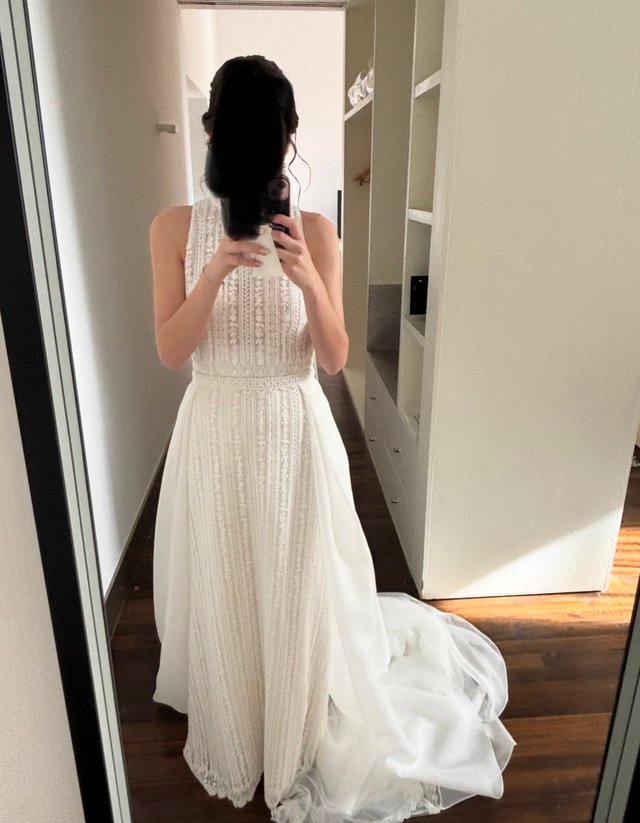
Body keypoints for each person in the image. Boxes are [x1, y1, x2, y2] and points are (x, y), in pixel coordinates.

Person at [149, 55, 516, 823]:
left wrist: (309, 279)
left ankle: (290, 722)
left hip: (292, 427)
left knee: (293, 579)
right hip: (215, 428)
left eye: (269, 139)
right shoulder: (174, 228)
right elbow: (172, 351)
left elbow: (335, 356)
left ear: (286, 142)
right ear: (214, 137)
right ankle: (238, 715)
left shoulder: (315, 229)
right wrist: (212, 273)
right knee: (228, 573)